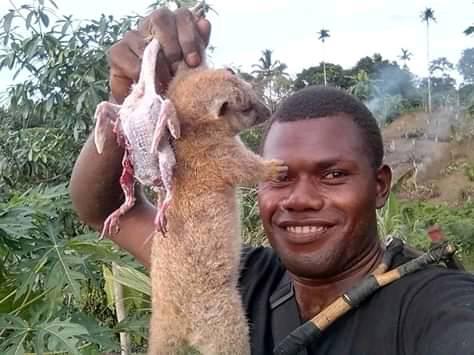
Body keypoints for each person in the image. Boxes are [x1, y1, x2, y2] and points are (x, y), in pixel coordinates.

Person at [70, 7, 474, 355]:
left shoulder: (432, 303)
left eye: (332, 175)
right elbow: (101, 208)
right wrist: (131, 103)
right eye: (279, 175)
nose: (300, 199)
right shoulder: (234, 275)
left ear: (380, 185)